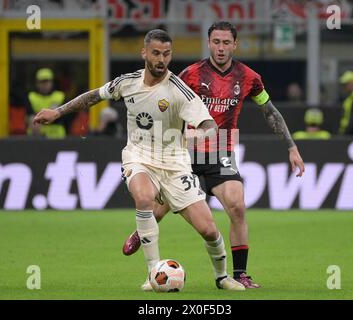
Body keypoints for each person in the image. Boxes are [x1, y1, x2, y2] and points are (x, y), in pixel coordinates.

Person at [33, 29, 245, 292]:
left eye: (166, 54)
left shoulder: (179, 90)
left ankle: (222, 277)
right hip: (139, 157)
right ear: (144, 52)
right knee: (144, 197)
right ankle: (153, 272)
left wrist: (196, 136)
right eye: (156, 53)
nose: (161, 59)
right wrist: (58, 111)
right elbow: (94, 97)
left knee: (209, 230)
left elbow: (210, 125)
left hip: (175, 163)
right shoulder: (127, 83)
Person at [122, 21, 306, 289]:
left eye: (226, 43)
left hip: (221, 149)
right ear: (209, 43)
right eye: (216, 42)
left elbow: (270, 112)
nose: (221, 48)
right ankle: (142, 236)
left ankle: (240, 273)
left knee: (237, 206)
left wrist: (291, 146)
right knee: (157, 210)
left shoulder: (249, 77)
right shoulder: (190, 74)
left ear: (235, 44)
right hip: (184, 151)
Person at [26, 68, 68, 138]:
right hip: (36, 136)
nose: (44, 85)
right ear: (37, 83)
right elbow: (28, 115)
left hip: (56, 136)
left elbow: (65, 117)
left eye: (47, 82)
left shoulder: (60, 96)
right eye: (42, 82)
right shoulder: (31, 97)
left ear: (52, 82)